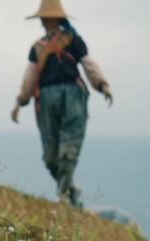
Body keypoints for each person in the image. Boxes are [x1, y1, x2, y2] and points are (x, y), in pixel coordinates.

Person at [11, 0, 113, 207]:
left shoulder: (73, 40)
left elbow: (87, 64)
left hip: (73, 97)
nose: (44, 21)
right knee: (50, 157)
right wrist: (20, 101)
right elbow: (30, 76)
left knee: (68, 150)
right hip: (46, 100)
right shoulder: (37, 48)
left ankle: (63, 197)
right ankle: (71, 191)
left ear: (55, 18)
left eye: (46, 17)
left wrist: (102, 85)